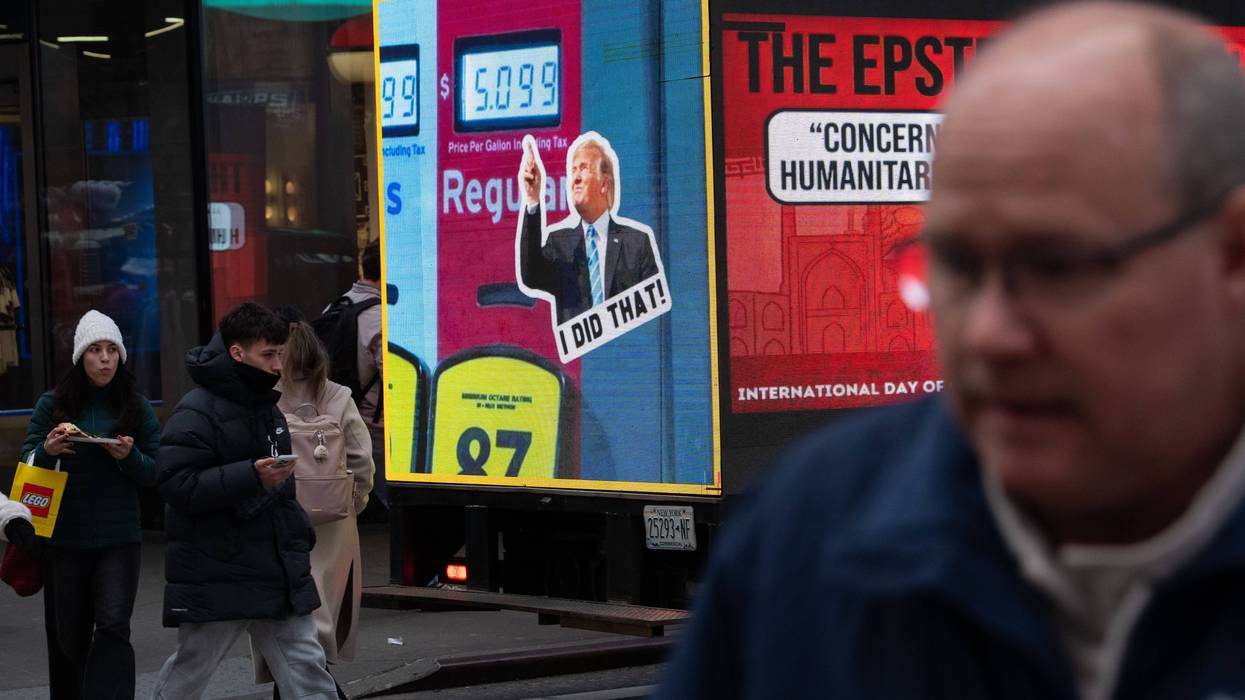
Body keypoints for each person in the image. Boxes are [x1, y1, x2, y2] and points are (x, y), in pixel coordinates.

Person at [659, 3, 1245, 699]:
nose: (988, 335)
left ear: (1230, 257)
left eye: (1057, 267)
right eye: (956, 268)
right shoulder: (804, 532)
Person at [152, 302, 337, 699]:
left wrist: (297, 535)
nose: (276, 365)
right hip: (221, 569)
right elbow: (175, 484)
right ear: (238, 352)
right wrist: (250, 476)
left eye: (280, 355)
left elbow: (280, 492)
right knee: (192, 668)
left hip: (273, 568)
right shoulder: (196, 410)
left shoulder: (266, 408)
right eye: (268, 355)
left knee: (306, 667)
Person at [17, 309, 160, 699]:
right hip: (65, 540)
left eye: (112, 349)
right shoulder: (53, 404)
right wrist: (47, 450)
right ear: (81, 357)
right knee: (71, 637)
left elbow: (156, 471)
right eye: (96, 350)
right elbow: (26, 464)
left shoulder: (135, 406)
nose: (105, 358)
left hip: (119, 539)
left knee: (113, 625)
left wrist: (126, 456)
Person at [254, 320, 374, 697]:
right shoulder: (339, 395)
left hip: (281, 517)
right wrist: (356, 501)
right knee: (323, 616)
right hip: (334, 521)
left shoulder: (265, 396)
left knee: (290, 622)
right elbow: (361, 459)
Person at [517, 132, 660, 323]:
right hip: (579, 354)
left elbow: (655, 316)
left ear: (604, 184)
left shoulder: (637, 244)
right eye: (573, 170)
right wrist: (533, 199)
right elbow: (530, 276)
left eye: (583, 169)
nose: (575, 178)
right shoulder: (560, 244)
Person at [323, 239, 386, 511]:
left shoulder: (333, 308)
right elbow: (398, 386)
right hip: (376, 432)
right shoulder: (383, 318)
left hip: (336, 423)